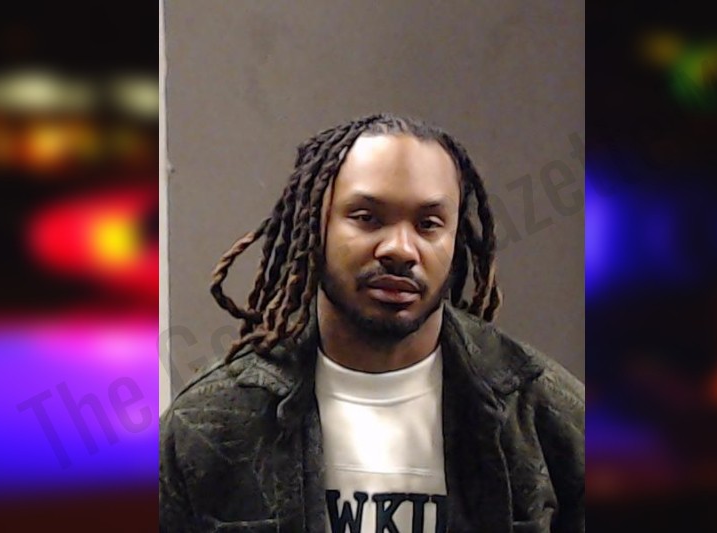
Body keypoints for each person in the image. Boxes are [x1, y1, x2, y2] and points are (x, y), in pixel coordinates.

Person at [159, 113, 584, 532]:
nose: (400, 249)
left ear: (455, 240)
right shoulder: (210, 425)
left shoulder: (547, 417)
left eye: (428, 225)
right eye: (367, 218)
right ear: (315, 225)